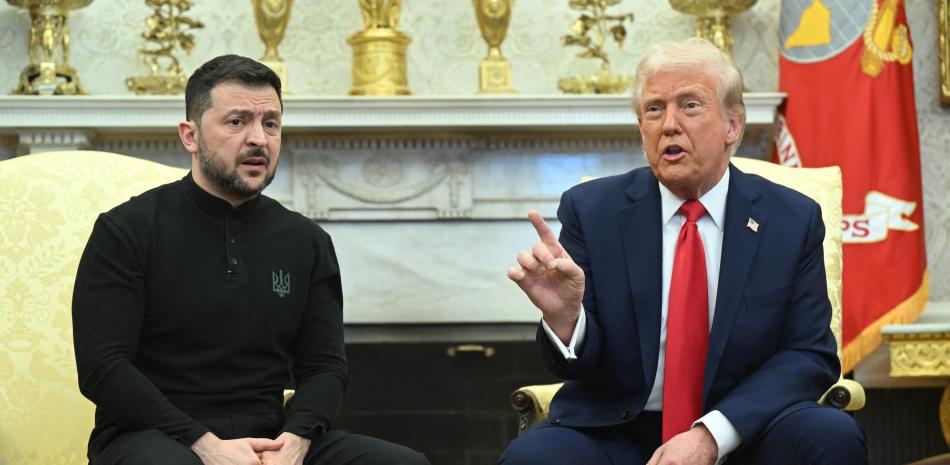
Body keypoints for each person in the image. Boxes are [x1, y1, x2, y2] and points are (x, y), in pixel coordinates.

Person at [500, 38, 867, 465]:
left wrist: (712, 435)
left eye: (690, 105)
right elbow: (578, 363)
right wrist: (566, 321)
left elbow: (809, 354)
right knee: (532, 458)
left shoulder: (791, 218)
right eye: (654, 109)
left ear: (733, 126)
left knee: (830, 435)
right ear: (642, 128)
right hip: (619, 430)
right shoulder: (593, 211)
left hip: (746, 430)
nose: (669, 125)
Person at [72, 54, 429, 465]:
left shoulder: (306, 241)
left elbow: (324, 367)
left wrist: (296, 440)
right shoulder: (126, 230)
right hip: (153, 437)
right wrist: (205, 445)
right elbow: (103, 368)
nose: (259, 138)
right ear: (190, 136)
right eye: (237, 122)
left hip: (269, 436)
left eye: (271, 124)